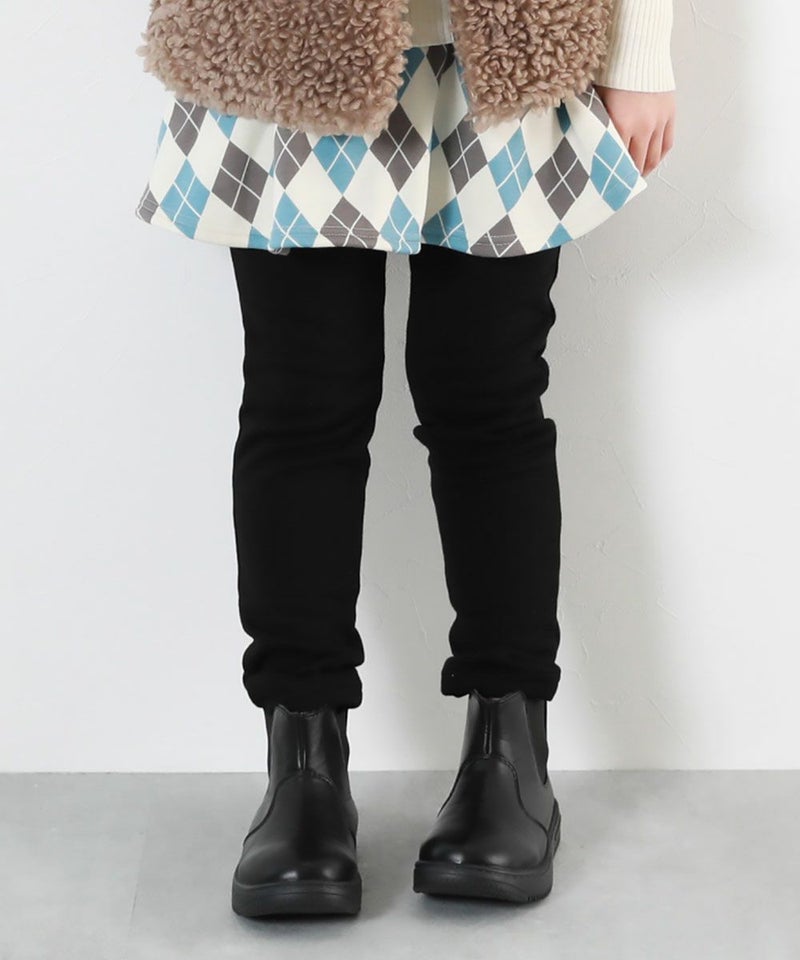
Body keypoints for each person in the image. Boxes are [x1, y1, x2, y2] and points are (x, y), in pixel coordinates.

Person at [133, 0, 676, 917]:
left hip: (510, 43)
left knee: (488, 398)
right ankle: (301, 768)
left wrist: (642, 53)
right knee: (301, 402)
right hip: (282, 36)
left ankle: (510, 758)